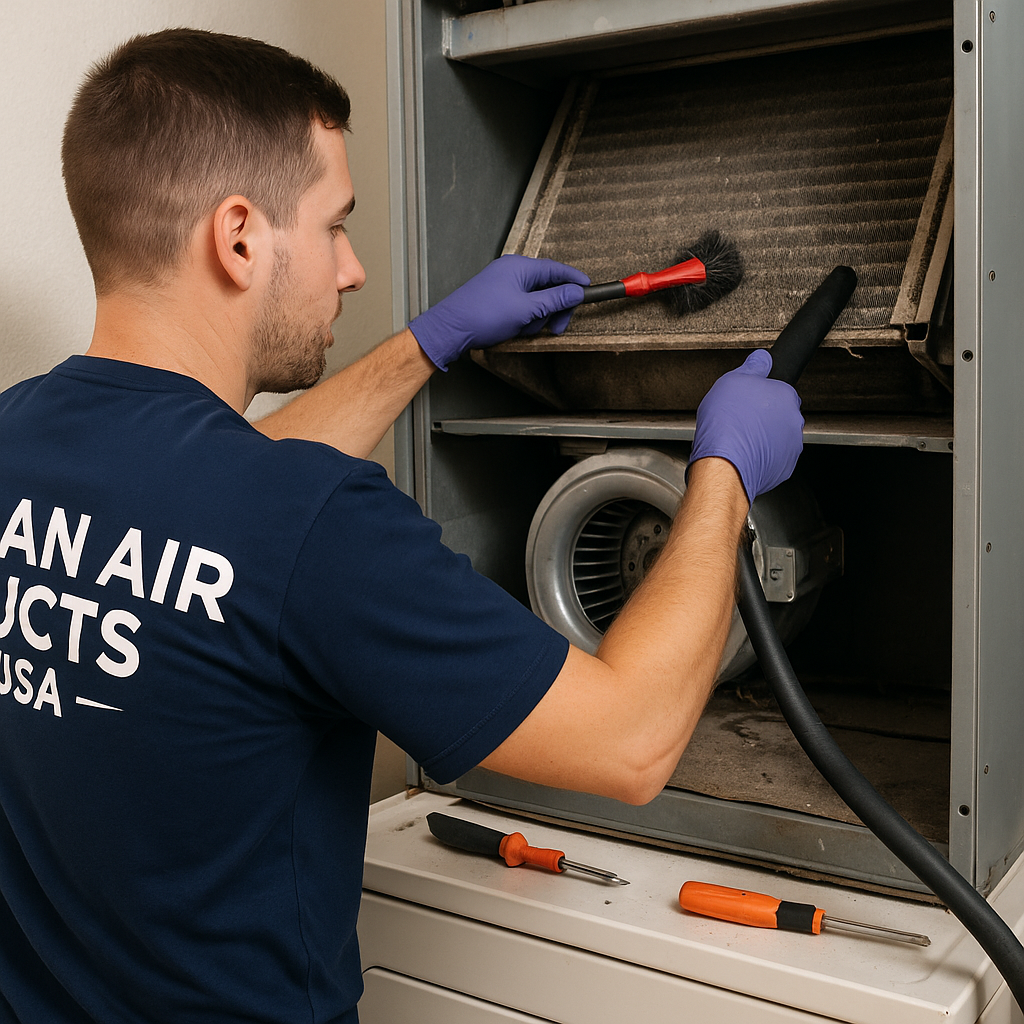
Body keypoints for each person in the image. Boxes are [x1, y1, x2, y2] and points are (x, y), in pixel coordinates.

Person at [0, 28, 803, 1024]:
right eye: (334, 225)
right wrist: (723, 475)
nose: (352, 268)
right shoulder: (312, 525)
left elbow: (214, 492)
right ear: (239, 236)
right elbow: (632, 742)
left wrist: (425, 345)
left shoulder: (18, 436)